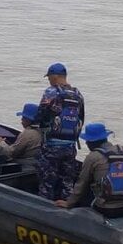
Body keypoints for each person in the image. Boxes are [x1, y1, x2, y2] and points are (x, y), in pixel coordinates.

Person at [34, 62, 85, 201]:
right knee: (67, 182)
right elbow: (81, 119)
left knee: (47, 183)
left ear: (55, 77)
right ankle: (65, 211)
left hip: (51, 146)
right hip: (70, 147)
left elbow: (40, 115)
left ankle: (44, 211)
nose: (49, 80)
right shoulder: (77, 94)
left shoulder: (51, 92)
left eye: (49, 77)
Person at [0, 103, 43, 171]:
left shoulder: (27, 134)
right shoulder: (42, 131)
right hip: (37, 167)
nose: (21, 120)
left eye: (23, 117)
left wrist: (1, 143)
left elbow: (11, 153)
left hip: (26, 168)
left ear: (28, 120)